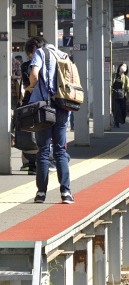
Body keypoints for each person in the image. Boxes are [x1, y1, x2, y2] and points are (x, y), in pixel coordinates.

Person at [25, 36, 74, 204]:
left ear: (35, 48)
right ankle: (66, 193)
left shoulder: (40, 53)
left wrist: (31, 87)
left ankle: (41, 193)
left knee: (43, 151)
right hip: (63, 106)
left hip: (44, 108)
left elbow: (34, 75)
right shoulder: (63, 55)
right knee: (60, 150)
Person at [111, 63, 129, 128]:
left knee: (123, 110)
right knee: (116, 110)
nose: (123, 67)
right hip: (114, 96)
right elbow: (110, 84)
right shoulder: (114, 76)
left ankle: (120, 121)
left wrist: (128, 98)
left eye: (125, 66)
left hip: (122, 97)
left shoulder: (126, 78)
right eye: (122, 66)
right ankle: (116, 122)